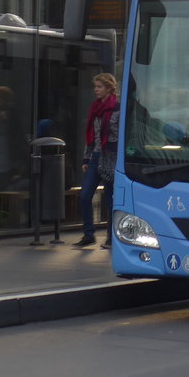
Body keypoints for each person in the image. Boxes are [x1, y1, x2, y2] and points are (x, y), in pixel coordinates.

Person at [76, 72, 120, 248]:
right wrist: (86, 158)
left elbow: (120, 135)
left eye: (99, 87)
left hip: (111, 157)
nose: (95, 90)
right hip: (96, 155)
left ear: (108, 88)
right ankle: (89, 234)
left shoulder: (118, 107)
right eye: (95, 86)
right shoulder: (95, 108)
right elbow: (91, 136)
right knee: (85, 195)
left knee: (110, 199)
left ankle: (111, 237)